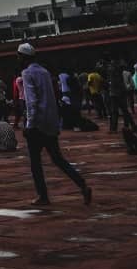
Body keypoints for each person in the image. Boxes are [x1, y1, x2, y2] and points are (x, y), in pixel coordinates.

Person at [19, 43, 91, 206]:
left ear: (23, 57)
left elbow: (32, 102)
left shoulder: (26, 73)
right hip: (50, 122)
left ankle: (43, 195)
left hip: (37, 125)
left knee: (35, 163)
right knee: (58, 159)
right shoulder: (45, 72)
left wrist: (29, 125)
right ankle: (82, 185)